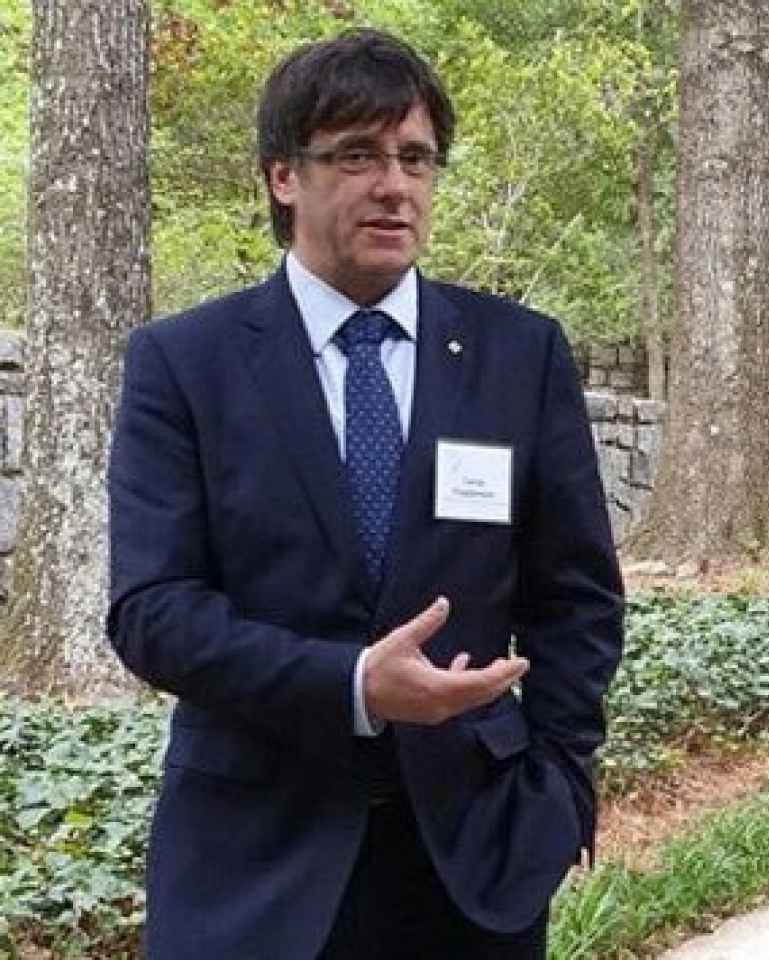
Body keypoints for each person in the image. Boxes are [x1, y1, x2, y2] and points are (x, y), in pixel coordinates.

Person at [106, 29, 624, 959]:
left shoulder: (520, 354)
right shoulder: (185, 364)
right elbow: (153, 611)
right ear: (282, 177)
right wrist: (353, 686)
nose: (395, 185)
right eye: (357, 155)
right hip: (252, 871)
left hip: (474, 866)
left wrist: (558, 783)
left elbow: (577, 597)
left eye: (415, 157)